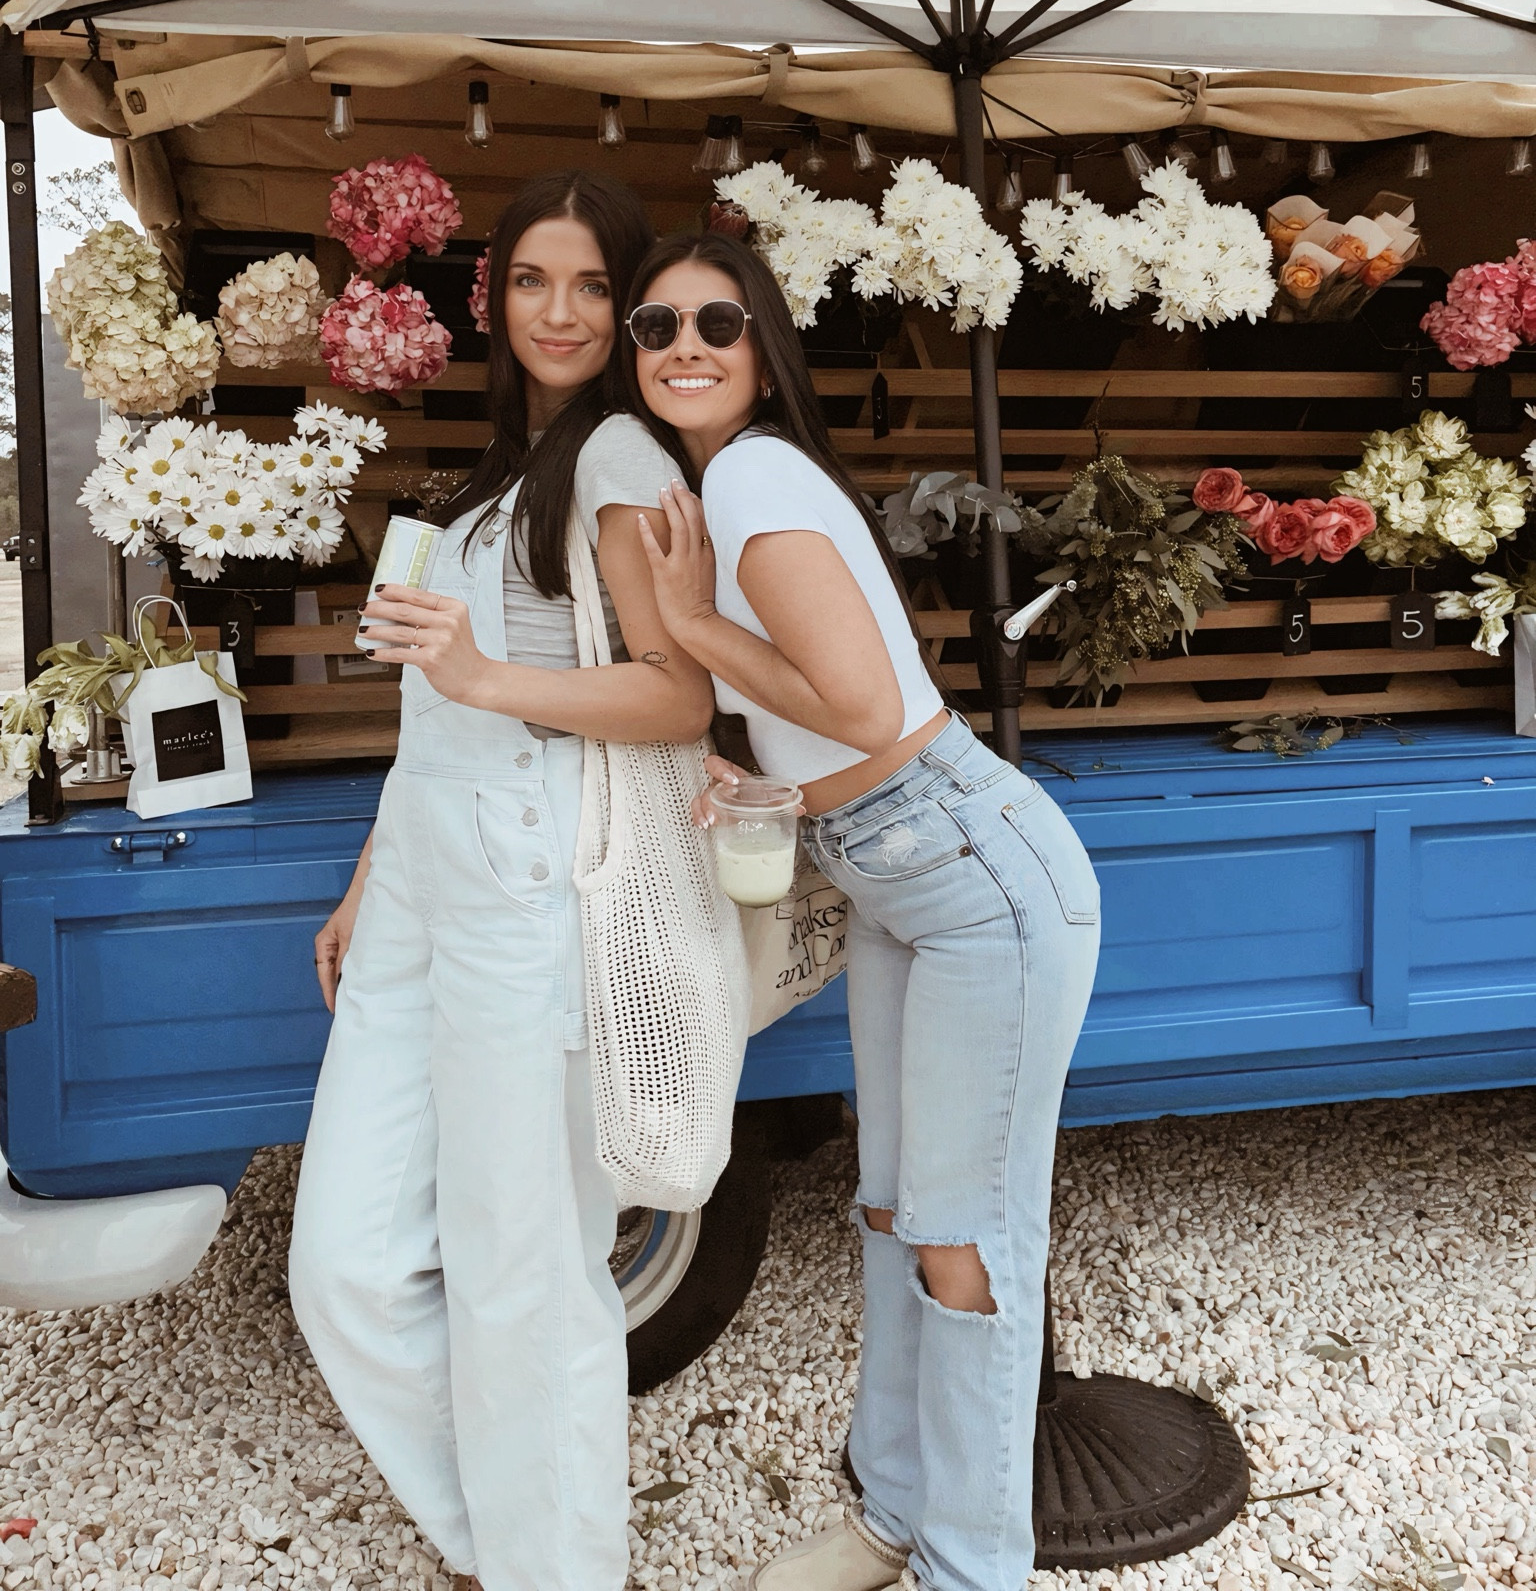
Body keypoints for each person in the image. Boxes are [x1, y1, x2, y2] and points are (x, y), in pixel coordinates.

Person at [623, 234, 1101, 1591]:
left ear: (766, 345)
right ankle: (892, 1515)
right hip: (894, 858)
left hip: (970, 870)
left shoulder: (758, 477)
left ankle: (973, 1567)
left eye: (718, 320)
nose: (685, 345)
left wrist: (685, 619)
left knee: (961, 1240)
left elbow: (870, 710)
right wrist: (754, 763)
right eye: (656, 326)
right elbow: (822, 711)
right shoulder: (733, 484)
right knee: (892, 1214)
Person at [288, 172, 713, 1591]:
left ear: (634, 305)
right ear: (494, 300)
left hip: (533, 886)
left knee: (526, 1270)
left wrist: (485, 674)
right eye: (534, 280)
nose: (562, 311)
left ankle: (555, 1569)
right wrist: (369, 880)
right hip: (422, 878)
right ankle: (503, 1546)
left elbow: (677, 700)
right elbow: (436, 718)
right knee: (342, 1266)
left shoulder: (615, 463)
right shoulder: (493, 473)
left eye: (596, 286)